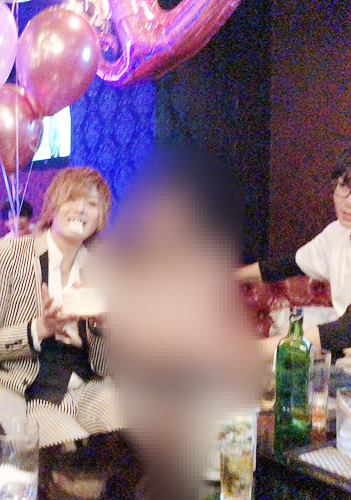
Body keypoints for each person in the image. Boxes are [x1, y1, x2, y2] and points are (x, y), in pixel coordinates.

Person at [96, 147, 257, 499]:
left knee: (233, 421)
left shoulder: (205, 263)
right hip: (148, 388)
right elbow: (135, 348)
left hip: (207, 385)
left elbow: (227, 343)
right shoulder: (120, 271)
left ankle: (225, 488)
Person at [237, 133, 351, 371]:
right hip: (349, 369)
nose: (350, 201)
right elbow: (288, 265)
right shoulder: (338, 232)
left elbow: (346, 331)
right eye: (344, 186)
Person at [0, 166, 120, 450]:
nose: (81, 210)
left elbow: (106, 367)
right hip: (32, 391)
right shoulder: (10, 253)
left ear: (100, 218)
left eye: (92, 204)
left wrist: (101, 325)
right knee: (68, 458)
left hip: (89, 387)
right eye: (71, 199)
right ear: (52, 207)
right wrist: (39, 329)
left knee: (131, 436)